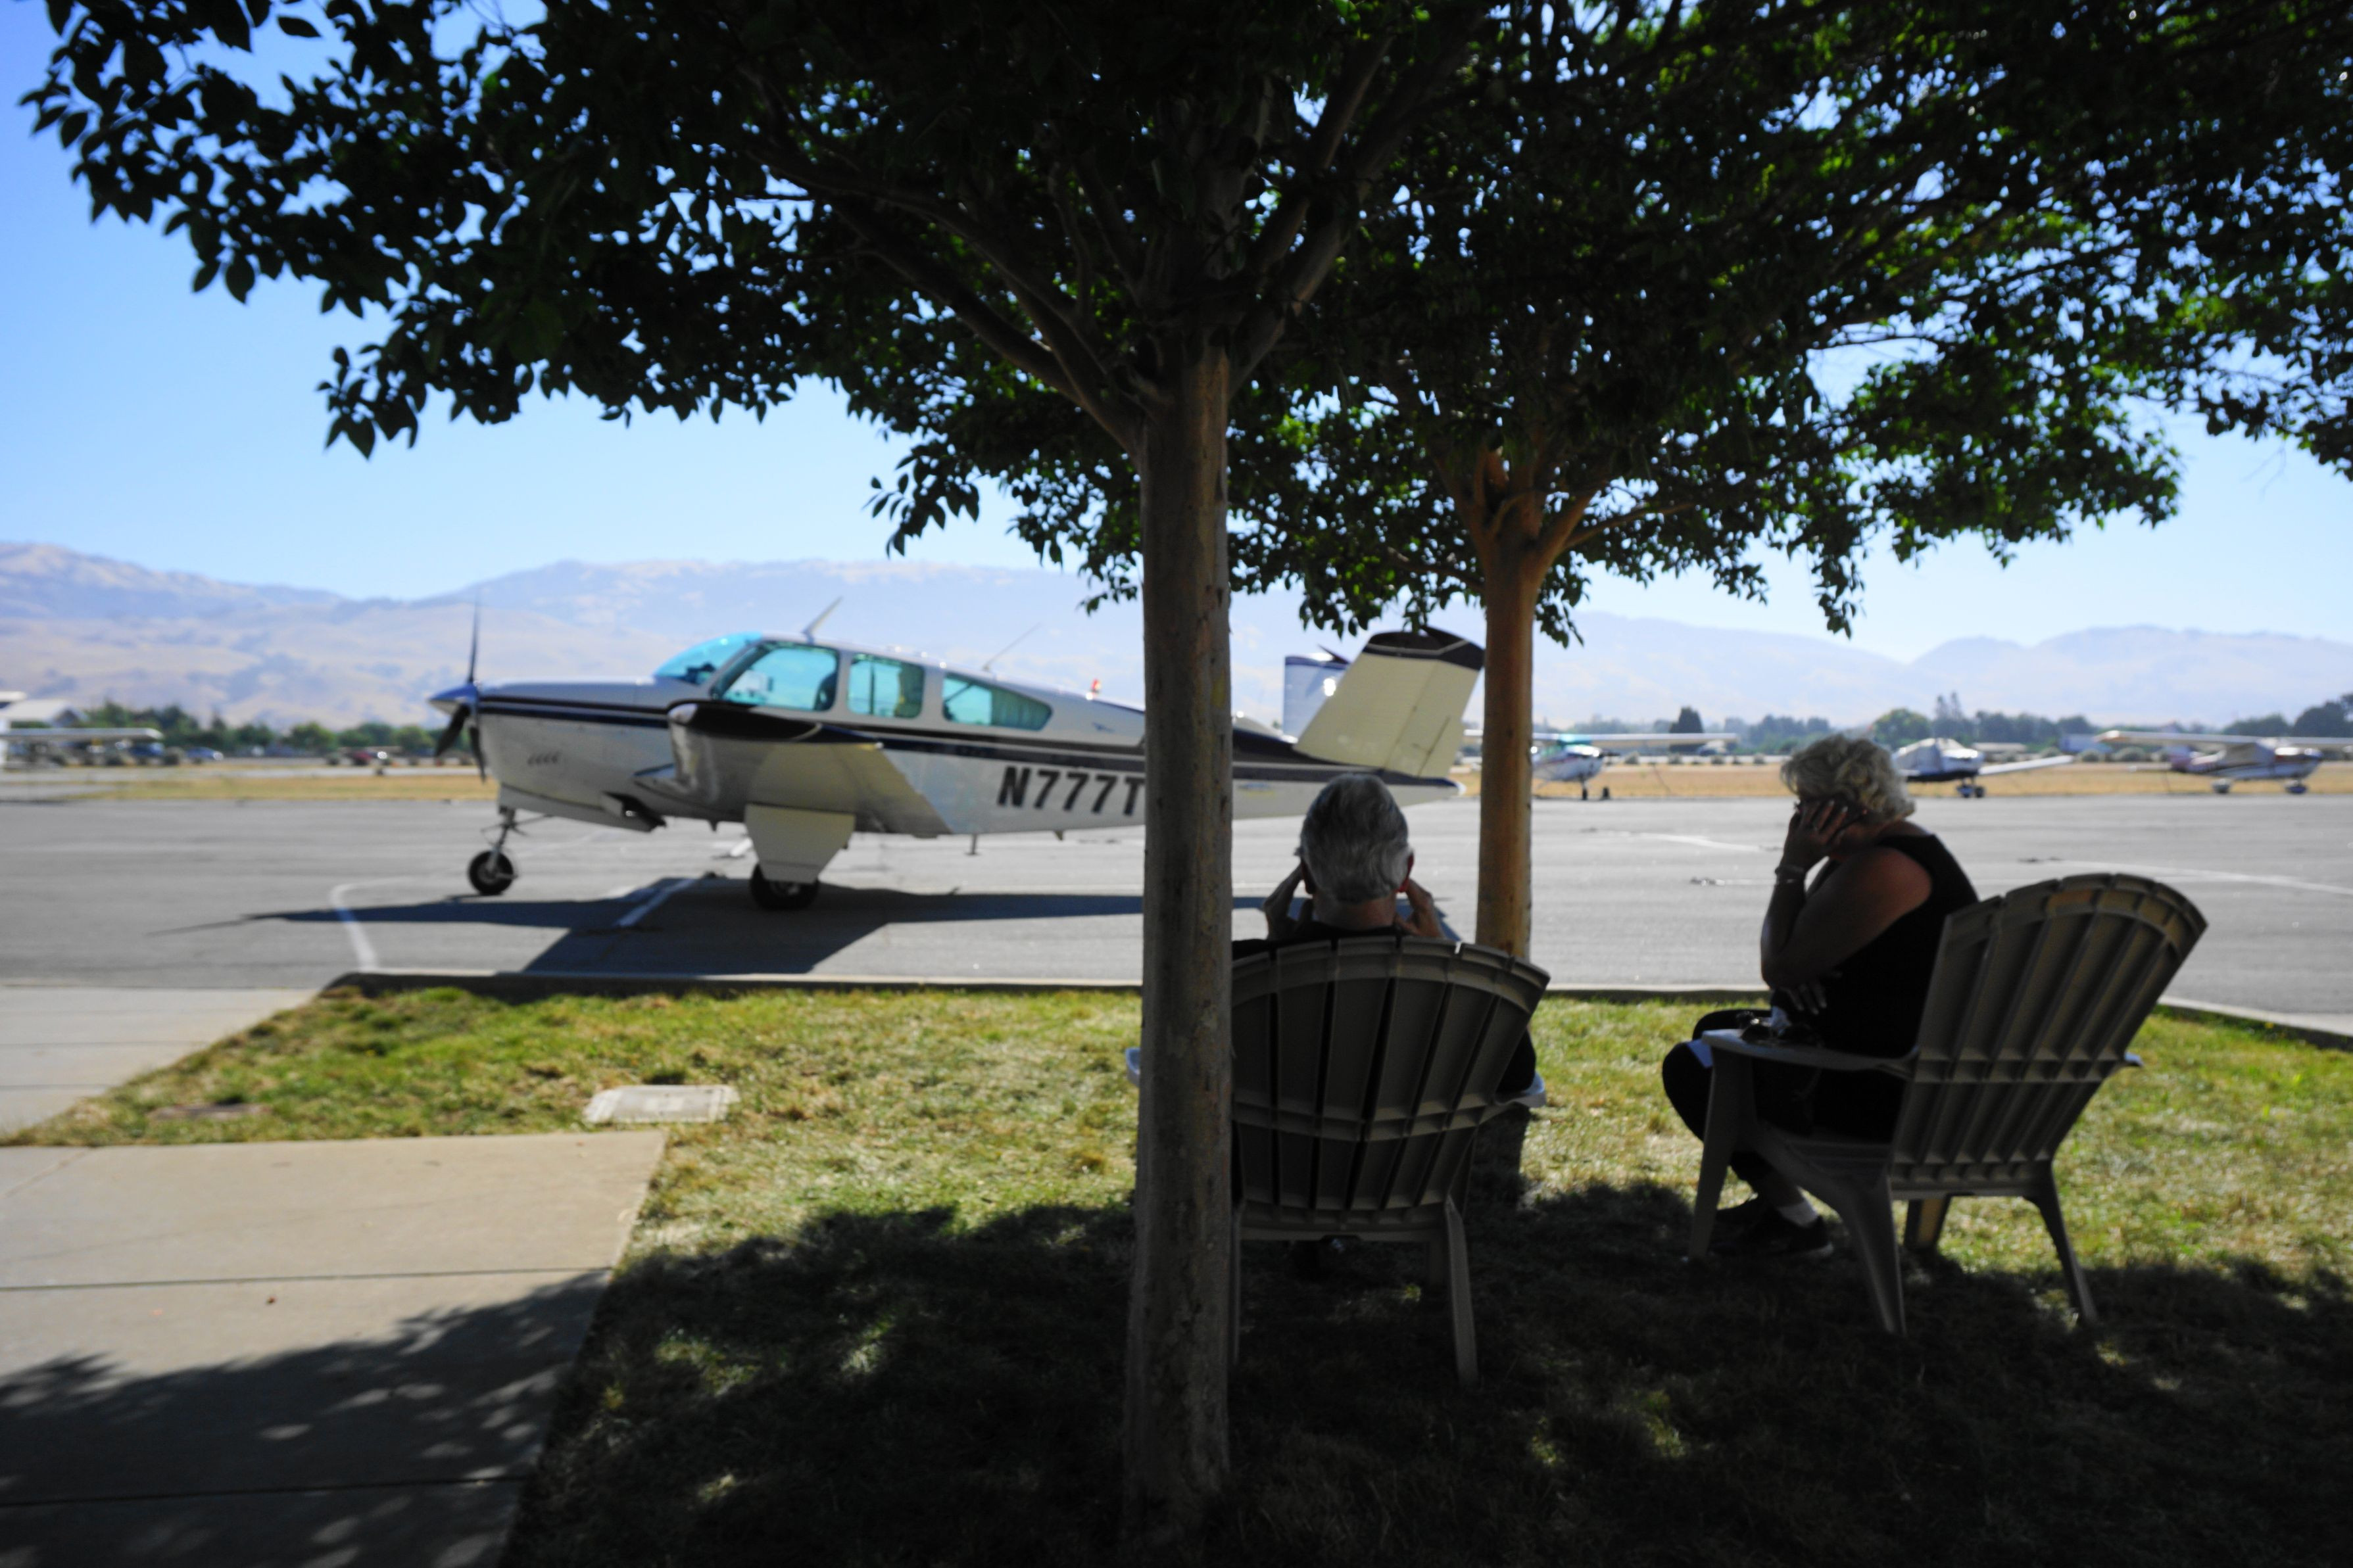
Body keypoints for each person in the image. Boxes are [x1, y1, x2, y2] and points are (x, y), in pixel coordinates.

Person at [1661, 734, 1979, 1259]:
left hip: (1881, 1087)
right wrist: (1797, 965)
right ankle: (1781, 1210)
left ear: (1851, 805)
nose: (1799, 818)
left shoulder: (1885, 867)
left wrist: (1791, 868)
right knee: (1715, 1029)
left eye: (1808, 803)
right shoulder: (1880, 852)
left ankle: (1797, 1221)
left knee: (1692, 1066)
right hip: (1900, 1067)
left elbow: (1777, 964)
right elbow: (1797, 952)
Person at [1240, 772, 1538, 1097]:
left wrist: (1274, 952)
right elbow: (1518, 1078)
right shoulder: (1466, 992)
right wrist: (1445, 957)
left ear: (1308, 877)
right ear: (1405, 873)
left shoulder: (1237, 972)